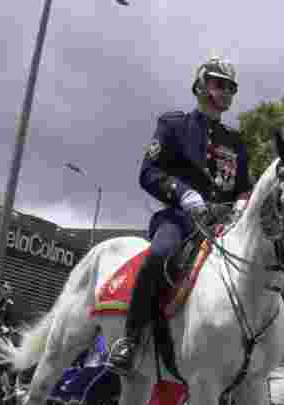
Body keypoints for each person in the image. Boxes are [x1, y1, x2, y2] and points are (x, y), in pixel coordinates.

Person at [107, 55, 251, 374]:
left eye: (231, 88)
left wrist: (242, 205)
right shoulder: (173, 125)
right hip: (179, 219)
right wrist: (183, 193)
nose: (225, 92)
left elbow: (243, 187)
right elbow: (148, 173)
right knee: (159, 255)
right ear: (200, 86)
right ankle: (130, 339)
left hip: (223, 227)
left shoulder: (236, 142)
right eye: (218, 84)